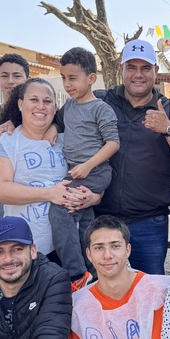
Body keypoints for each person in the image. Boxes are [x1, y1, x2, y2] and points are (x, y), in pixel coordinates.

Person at [92, 39, 170, 274]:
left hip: (149, 221)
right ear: (121, 70)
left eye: (145, 68)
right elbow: (58, 118)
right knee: (102, 288)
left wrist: (169, 128)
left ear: (156, 72)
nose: (138, 75)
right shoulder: (101, 101)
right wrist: (10, 121)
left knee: (151, 290)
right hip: (102, 218)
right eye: (131, 67)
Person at [0, 79, 77, 267]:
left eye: (47, 101)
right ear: (20, 104)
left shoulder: (68, 139)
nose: (41, 107)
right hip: (23, 247)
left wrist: (92, 197)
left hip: (69, 247)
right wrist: (50, 193)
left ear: (55, 107)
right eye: (33, 100)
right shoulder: (6, 141)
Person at [48, 48, 120, 284]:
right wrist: (52, 128)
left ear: (91, 78)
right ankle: (93, 270)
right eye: (64, 78)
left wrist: (88, 166)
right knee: (85, 216)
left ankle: (75, 272)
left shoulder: (100, 108)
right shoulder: (68, 106)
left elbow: (113, 144)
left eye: (73, 78)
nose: (67, 84)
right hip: (81, 171)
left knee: (60, 208)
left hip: (95, 172)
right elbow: (57, 122)